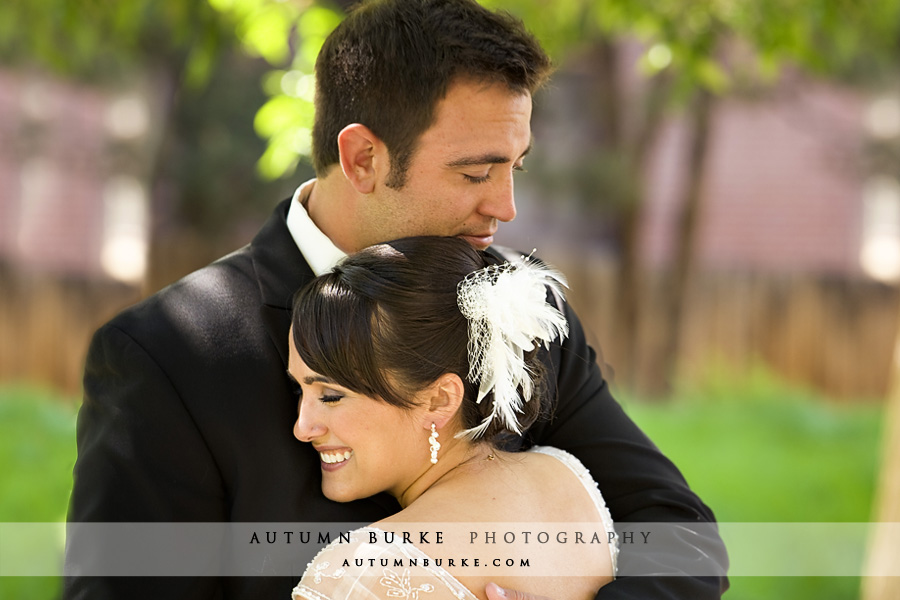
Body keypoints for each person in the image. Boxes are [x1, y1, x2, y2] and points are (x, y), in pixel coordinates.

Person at [66, 0, 728, 599]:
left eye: (513, 167)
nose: (505, 207)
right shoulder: (165, 357)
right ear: (361, 160)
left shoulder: (518, 309)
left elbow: (678, 535)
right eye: (475, 172)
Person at [287, 236, 617, 600]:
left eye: (332, 396)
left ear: (439, 400)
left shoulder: (360, 574)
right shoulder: (568, 477)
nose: (302, 428)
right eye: (299, 391)